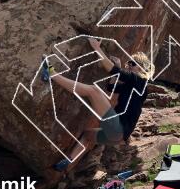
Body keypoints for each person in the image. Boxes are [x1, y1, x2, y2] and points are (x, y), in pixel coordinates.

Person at [41, 38, 152, 172]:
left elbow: (111, 69)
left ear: (141, 68)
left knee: (93, 91)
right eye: (128, 63)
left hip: (119, 128)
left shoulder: (139, 80)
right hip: (119, 137)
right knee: (88, 135)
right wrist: (117, 69)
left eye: (132, 63)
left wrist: (97, 48)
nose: (128, 65)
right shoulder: (137, 86)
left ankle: (52, 74)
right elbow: (111, 87)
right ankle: (68, 162)